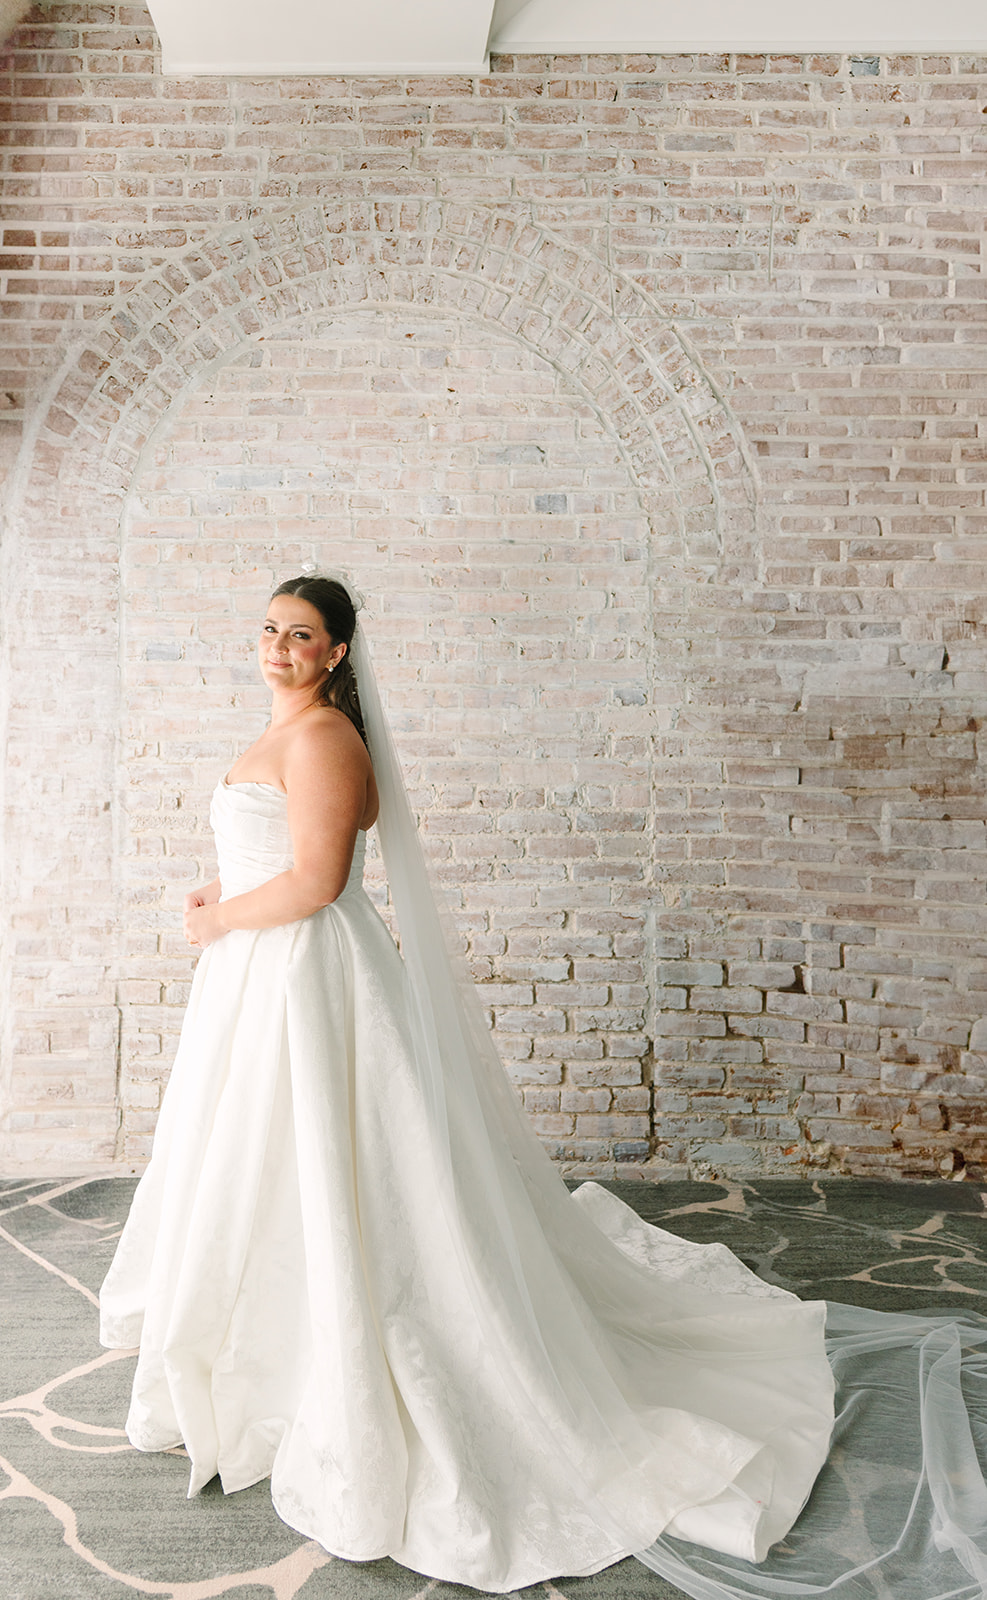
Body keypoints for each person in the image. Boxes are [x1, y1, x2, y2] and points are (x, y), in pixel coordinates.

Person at [100, 573, 987, 1600]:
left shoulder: (324, 738)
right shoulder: (284, 731)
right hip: (261, 976)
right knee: (257, 1159)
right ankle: (265, 1334)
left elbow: (322, 881)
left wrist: (220, 919)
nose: (278, 647)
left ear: (338, 651)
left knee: (334, 1164)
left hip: (305, 977)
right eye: (268, 629)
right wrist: (228, 892)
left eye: (300, 636)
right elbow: (283, 852)